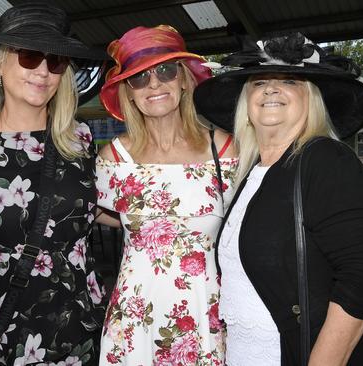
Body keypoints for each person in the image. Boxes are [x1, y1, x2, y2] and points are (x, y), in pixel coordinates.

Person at [193, 32, 363, 365]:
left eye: (289, 80)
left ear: (311, 99)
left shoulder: (326, 160)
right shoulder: (253, 173)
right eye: (257, 83)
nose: (270, 88)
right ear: (246, 106)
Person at [0, 3, 107, 365]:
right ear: (0, 65)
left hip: (75, 328)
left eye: (55, 62)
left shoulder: (79, 140)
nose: (42, 71)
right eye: (30, 56)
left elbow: (107, 207)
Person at [95, 25, 238, 365]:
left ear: (185, 80)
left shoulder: (226, 151)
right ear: (127, 92)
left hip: (205, 317)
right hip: (134, 320)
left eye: (165, 71)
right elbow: (92, 210)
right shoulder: (113, 159)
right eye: (139, 78)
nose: (154, 84)